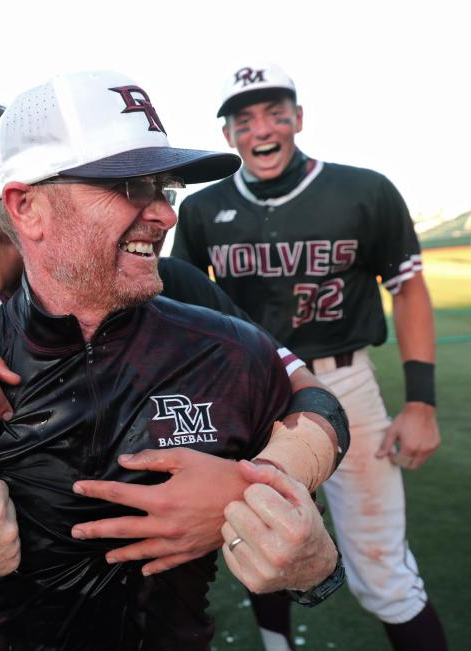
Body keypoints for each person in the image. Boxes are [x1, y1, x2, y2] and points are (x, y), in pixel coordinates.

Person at [0, 71, 342, 650]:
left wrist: (255, 486)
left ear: (1, 192)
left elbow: (307, 395)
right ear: (27, 207)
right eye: (130, 186)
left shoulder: (183, 302)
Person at [171, 63, 447, 651]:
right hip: (251, 392)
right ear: (228, 137)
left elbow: (409, 289)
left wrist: (420, 401)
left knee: (382, 570)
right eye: (244, 120)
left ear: (299, 118)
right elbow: (185, 310)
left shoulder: (362, 189)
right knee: (260, 539)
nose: (262, 129)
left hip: (345, 382)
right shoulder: (202, 209)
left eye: (276, 113)